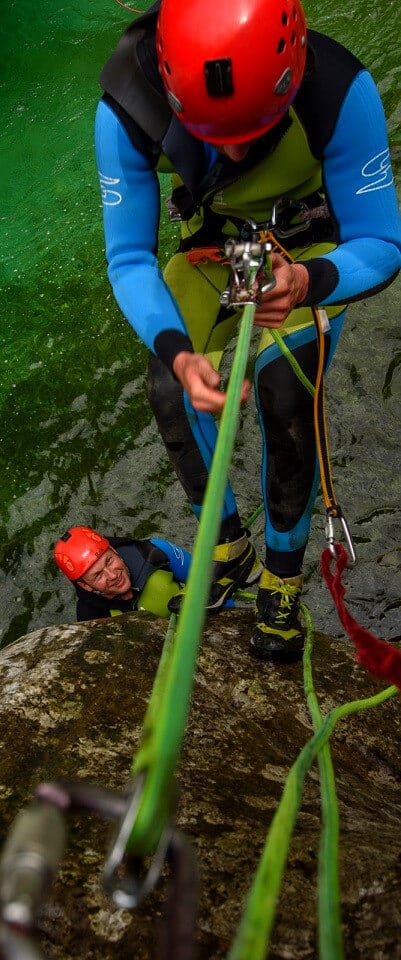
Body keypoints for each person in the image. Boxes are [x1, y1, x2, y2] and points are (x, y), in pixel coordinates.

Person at [95, 0, 401, 661]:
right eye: (214, 135)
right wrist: (176, 354)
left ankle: (282, 576)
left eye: (252, 130)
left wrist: (309, 284)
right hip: (213, 249)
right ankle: (226, 546)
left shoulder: (335, 92)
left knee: (283, 398)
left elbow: (378, 240)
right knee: (169, 391)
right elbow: (127, 258)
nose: (234, 149)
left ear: (290, 77)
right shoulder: (128, 102)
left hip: (307, 250)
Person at [53, 524, 209, 622]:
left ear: (113, 550)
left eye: (109, 561)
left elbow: (211, 581)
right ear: (85, 586)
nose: (113, 575)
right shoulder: (91, 616)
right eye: (98, 575)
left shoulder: (154, 553)